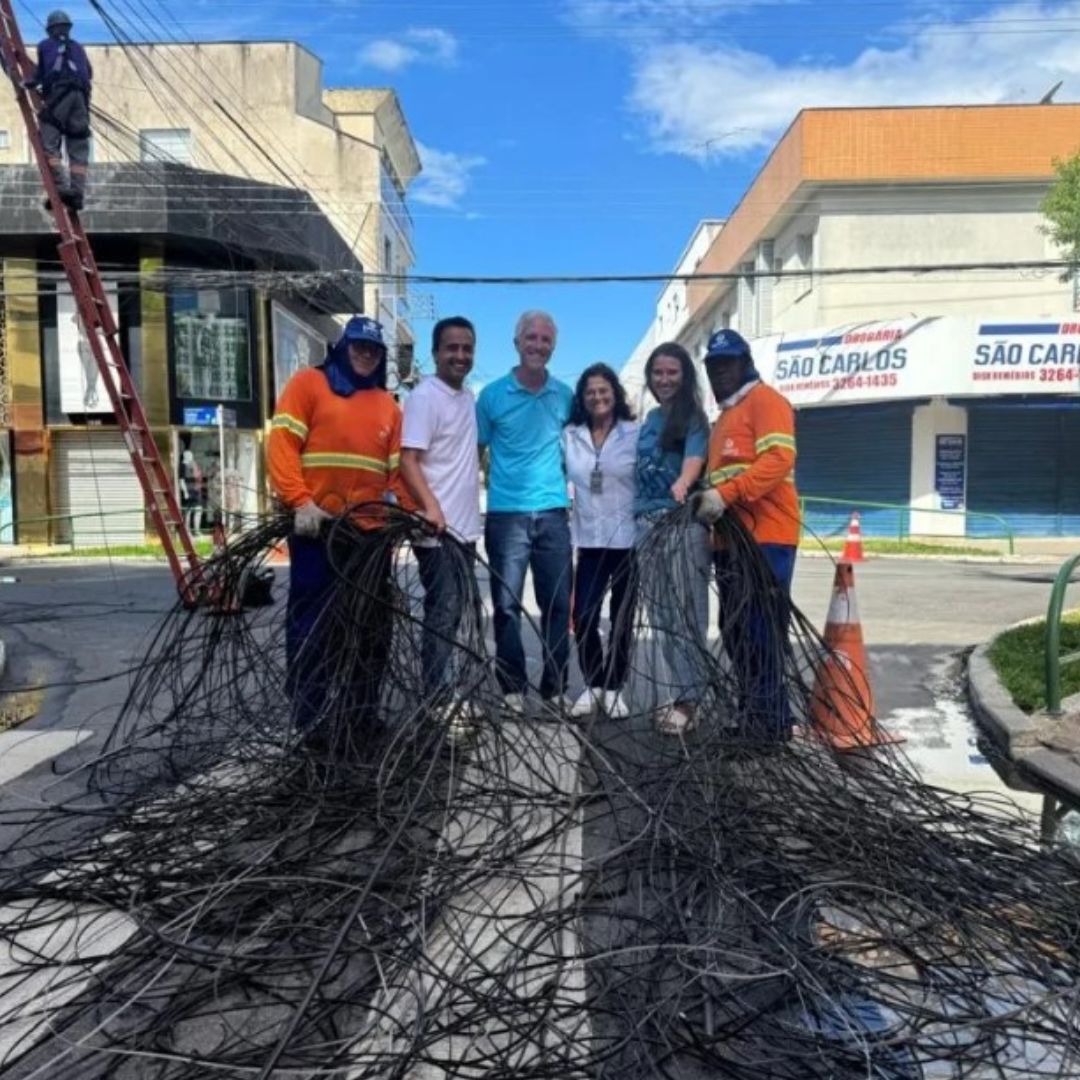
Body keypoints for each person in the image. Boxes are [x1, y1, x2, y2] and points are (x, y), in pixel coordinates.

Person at [267, 316, 401, 751]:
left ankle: (361, 714)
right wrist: (299, 500)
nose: (366, 355)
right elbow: (283, 444)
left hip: (368, 537)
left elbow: (396, 473)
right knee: (313, 625)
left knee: (370, 629)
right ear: (343, 347)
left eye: (374, 350)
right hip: (317, 530)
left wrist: (402, 513)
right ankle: (310, 718)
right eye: (359, 346)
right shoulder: (309, 385)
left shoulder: (388, 406)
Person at [693, 328, 800, 740]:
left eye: (728, 364)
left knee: (759, 633)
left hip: (767, 539)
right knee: (737, 633)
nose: (721, 373)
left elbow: (778, 459)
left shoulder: (765, 402)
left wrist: (727, 494)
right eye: (714, 366)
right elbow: (721, 478)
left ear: (745, 363)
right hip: (731, 543)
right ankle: (755, 715)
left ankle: (771, 724)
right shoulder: (725, 418)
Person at [477, 311, 574, 712]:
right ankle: (512, 687)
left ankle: (554, 688)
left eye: (545, 339)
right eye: (530, 338)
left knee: (557, 605)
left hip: (553, 513)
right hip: (506, 515)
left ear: (553, 346)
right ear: (516, 343)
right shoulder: (492, 396)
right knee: (506, 606)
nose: (537, 345)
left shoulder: (566, 396)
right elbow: (474, 453)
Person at [400, 316, 482, 701]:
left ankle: (447, 688)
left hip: (464, 531)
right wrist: (430, 508)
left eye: (467, 348)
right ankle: (437, 698)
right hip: (437, 532)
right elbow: (408, 460)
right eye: (452, 348)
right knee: (443, 614)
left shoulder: (467, 397)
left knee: (457, 614)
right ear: (435, 353)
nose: (460, 356)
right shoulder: (424, 398)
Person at [634, 342, 711, 735]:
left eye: (672, 373)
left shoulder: (694, 417)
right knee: (662, 616)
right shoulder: (648, 418)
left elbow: (695, 459)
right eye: (658, 373)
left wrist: (684, 480)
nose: (664, 380)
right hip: (645, 526)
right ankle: (677, 693)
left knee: (686, 616)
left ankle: (690, 700)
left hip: (680, 525)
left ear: (685, 376)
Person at [562, 364, 639, 719]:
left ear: (615, 393)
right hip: (589, 539)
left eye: (603, 390)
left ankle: (613, 687)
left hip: (627, 541)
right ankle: (593, 683)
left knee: (622, 618)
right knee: (584, 614)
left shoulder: (633, 433)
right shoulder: (571, 435)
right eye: (590, 391)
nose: (597, 397)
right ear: (582, 397)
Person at [25, 11, 92, 211]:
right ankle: (77, 194)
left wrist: (28, 83)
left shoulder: (45, 45)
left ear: (50, 29)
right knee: (78, 146)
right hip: (81, 99)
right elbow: (89, 72)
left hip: (59, 96)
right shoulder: (78, 47)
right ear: (68, 28)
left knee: (49, 142)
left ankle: (62, 189)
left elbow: (40, 74)